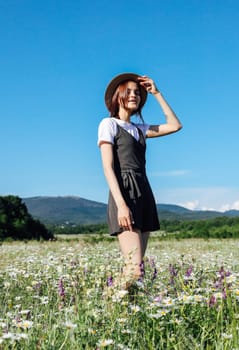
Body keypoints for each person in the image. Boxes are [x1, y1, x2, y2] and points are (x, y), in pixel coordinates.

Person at [97, 72, 182, 289]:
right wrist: (121, 206)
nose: (135, 95)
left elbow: (175, 125)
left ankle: (121, 313)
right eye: (129, 92)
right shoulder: (109, 124)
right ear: (119, 96)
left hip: (144, 192)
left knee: (137, 269)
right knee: (134, 270)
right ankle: (107, 305)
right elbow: (108, 168)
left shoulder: (139, 129)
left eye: (138, 92)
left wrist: (157, 93)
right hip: (124, 193)